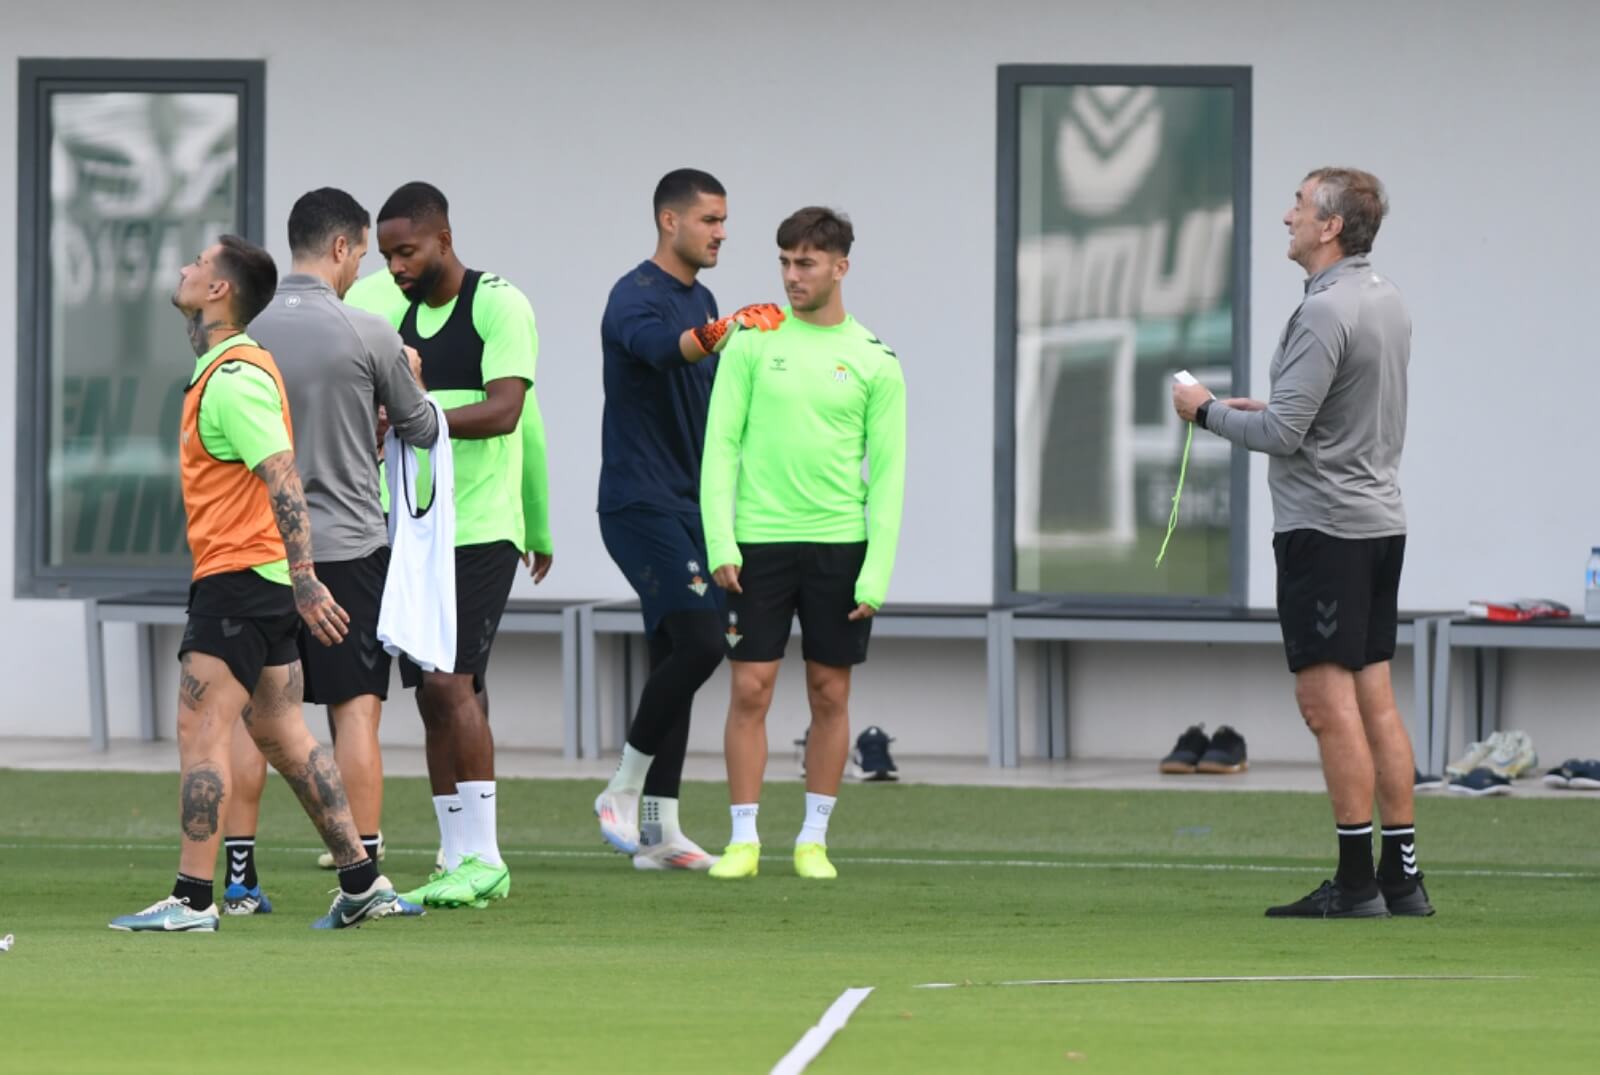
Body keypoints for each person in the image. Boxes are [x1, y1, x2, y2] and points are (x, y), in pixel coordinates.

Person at [109, 235, 401, 932]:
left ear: (219, 292)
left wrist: (306, 578)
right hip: (260, 582)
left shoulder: (234, 378)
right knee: (283, 733)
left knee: (199, 729)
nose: (183, 266)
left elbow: (283, 476)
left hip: (241, 583)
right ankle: (361, 879)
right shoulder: (228, 365)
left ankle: (193, 898)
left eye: (198, 263)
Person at [1172, 167, 1431, 918]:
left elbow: (1284, 434)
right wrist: (1263, 405)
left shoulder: (1323, 311)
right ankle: (1401, 877)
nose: (1285, 215)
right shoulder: (1384, 298)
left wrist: (1205, 411)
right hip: (1380, 522)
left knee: (1328, 704)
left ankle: (1356, 885)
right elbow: (1323, 411)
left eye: (1299, 205)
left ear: (1330, 228)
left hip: (1326, 528)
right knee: (1375, 698)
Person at [214, 188, 440, 914]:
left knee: (255, 714)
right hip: (346, 549)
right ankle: (365, 875)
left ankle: (241, 881)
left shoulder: (242, 330)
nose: (361, 267)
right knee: (355, 711)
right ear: (343, 248)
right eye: (363, 253)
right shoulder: (368, 329)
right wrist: (409, 375)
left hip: (261, 548)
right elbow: (423, 428)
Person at [346, 182, 552, 909]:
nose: (397, 266)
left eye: (408, 251)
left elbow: (507, 413)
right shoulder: (384, 308)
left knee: (449, 683)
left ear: (443, 238)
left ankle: (488, 855)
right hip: (411, 529)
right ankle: (458, 853)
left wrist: (419, 413)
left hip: (482, 525)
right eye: (389, 253)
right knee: (433, 697)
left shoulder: (500, 304)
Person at [700, 207, 906, 881]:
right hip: (756, 545)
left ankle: (813, 839)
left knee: (828, 693)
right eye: (784, 261)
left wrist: (875, 574)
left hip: (838, 549)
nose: (792, 275)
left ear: (840, 267)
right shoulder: (752, 341)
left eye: (806, 263)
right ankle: (743, 839)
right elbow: (720, 446)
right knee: (751, 689)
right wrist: (720, 540)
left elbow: (891, 475)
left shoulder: (876, 360)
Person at [590, 169, 787, 870]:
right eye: (710, 219)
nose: (722, 233)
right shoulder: (634, 296)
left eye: (725, 220)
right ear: (669, 222)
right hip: (639, 504)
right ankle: (620, 788)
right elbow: (662, 351)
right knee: (703, 643)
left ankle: (658, 831)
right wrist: (722, 330)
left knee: (676, 654)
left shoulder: (700, 296)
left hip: (694, 508)